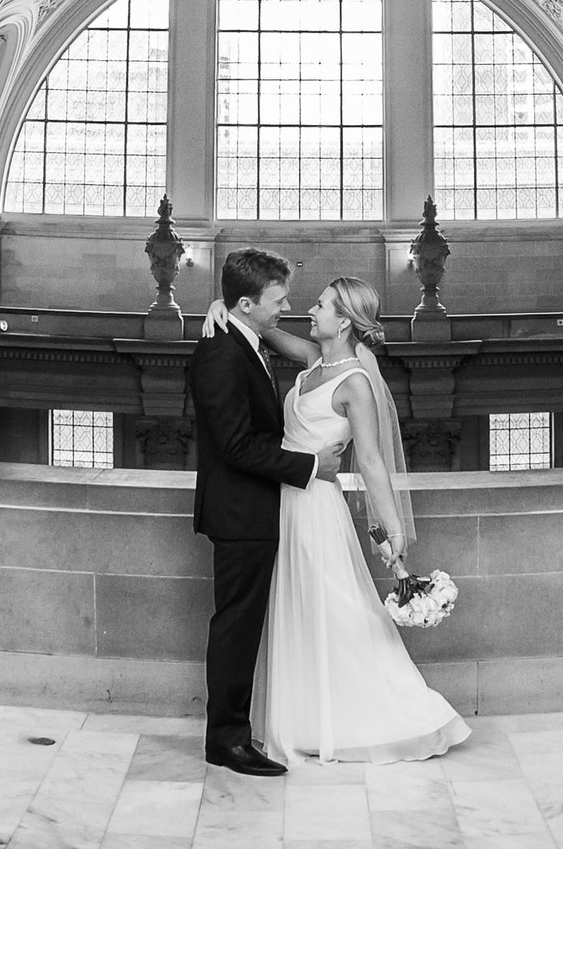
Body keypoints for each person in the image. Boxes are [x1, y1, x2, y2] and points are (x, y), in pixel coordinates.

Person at [252, 276, 470, 765]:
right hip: (283, 500)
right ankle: (307, 719)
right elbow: (264, 330)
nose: (311, 309)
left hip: (314, 509)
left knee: (338, 610)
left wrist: (393, 532)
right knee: (300, 610)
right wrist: (225, 307)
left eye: (322, 305)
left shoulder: (355, 383)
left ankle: (403, 714)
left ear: (344, 320)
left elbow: (370, 461)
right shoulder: (313, 362)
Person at [187, 247, 328, 778]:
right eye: (277, 300)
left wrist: (231, 311)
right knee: (236, 628)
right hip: (241, 515)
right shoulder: (220, 355)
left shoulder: (241, 337)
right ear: (246, 303)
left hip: (257, 512)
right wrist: (312, 465)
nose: (285, 307)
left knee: (243, 625)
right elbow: (237, 447)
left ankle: (236, 732)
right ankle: (226, 740)